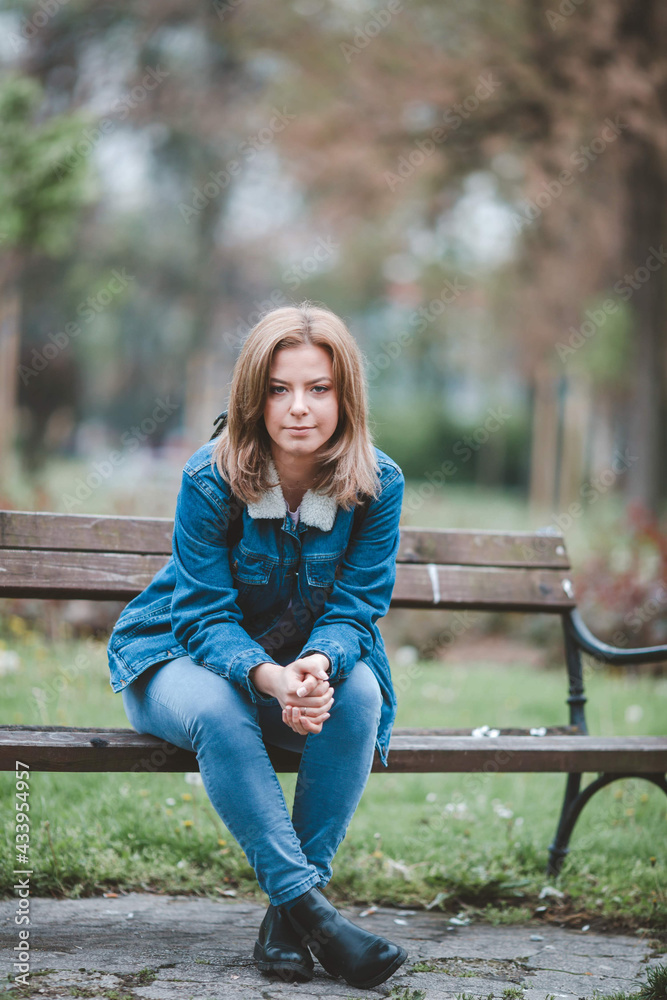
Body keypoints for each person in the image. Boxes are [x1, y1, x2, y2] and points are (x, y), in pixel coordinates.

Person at [106, 301, 407, 989]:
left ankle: (284, 920)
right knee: (217, 707)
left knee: (358, 691)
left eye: (318, 388)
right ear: (253, 397)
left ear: (344, 396)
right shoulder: (210, 479)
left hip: (297, 668)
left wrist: (319, 663)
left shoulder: (375, 484)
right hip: (174, 659)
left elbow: (358, 606)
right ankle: (317, 917)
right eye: (278, 389)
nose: (298, 408)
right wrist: (268, 678)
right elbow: (203, 619)